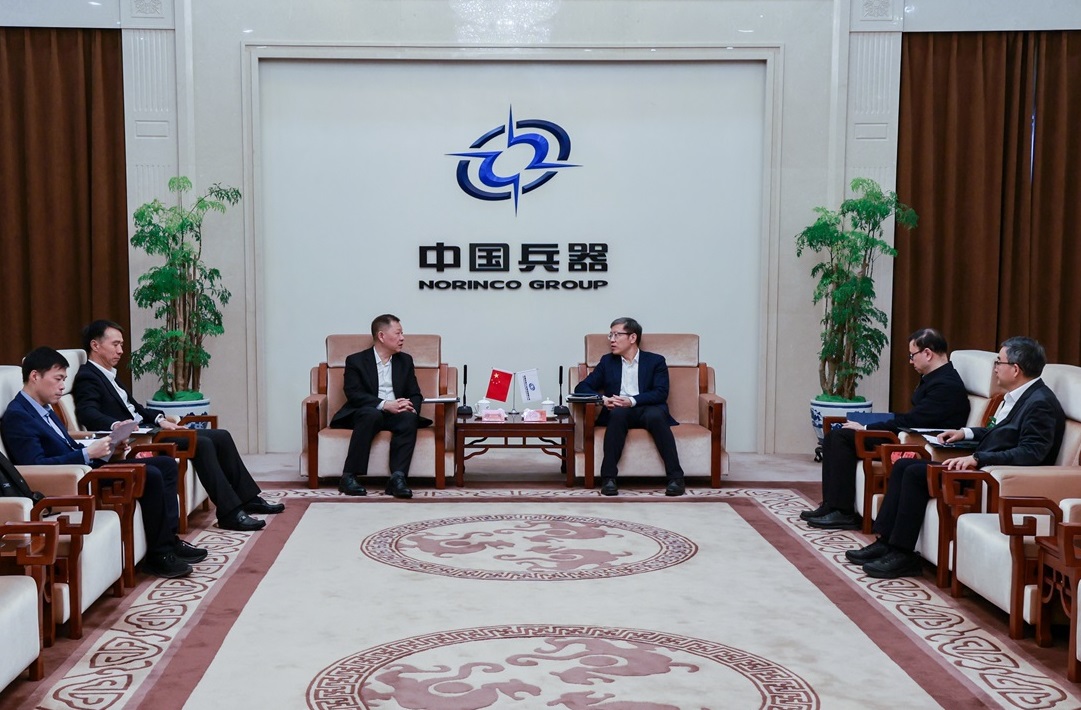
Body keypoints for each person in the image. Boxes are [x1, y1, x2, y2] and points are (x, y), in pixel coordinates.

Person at [847, 336, 1066, 579]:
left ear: (1015, 369)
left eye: (999, 362)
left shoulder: (1041, 404)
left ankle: (902, 553)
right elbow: (1000, 433)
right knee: (903, 466)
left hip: (992, 479)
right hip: (983, 467)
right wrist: (965, 432)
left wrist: (978, 459)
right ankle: (886, 542)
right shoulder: (1019, 396)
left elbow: (1031, 453)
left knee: (915, 473)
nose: (994, 368)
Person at [1, 347, 206, 579]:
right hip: (73, 479)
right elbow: (35, 465)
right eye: (58, 379)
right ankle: (159, 556)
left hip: (85, 468)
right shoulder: (18, 416)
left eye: (64, 380)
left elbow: (68, 444)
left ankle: (169, 541)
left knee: (165, 465)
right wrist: (87, 454)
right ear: (35, 376)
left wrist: (108, 448)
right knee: (150, 474)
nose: (62, 386)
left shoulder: (44, 409)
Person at [73, 320, 281, 533]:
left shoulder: (109, 375)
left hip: (150, 429)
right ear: (95, 345)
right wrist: (117, 425)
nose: (121, 351)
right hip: (138, 438)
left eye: (122, 345)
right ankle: (229, 514)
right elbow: (87, 412)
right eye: (115, 344)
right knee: (201, 443)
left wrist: (160, 419)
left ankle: (248, 499)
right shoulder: (88, 377)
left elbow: (135, 409)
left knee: (221, 436)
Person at [805, 328, 970, 530]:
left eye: (912, 355)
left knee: (842, 438)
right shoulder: (935, 377)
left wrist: (866, 427)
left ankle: (843, 511)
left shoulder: (946, 385)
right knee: (834, 436)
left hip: (919, 440)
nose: (910, 361)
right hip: (910, 432)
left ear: (927, 353)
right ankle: (831, 505)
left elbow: (914, 420)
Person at [573, 317, 685, 496]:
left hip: (647, 408)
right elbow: (581, 388)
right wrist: (603, 399)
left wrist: (631, 401)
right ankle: (608, 478)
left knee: (656, 416)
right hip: (619, 410)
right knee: (617, 414)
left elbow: (660, 392)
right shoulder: (607, 362)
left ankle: (676, 478)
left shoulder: (655, 361)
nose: (612, 340)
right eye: (610, 335)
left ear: (633, 337)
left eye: (617, 335)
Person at [329, 314, 431, 498]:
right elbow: (354, 394)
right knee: (371, 414)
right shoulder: (356, 361)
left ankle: (397, 479)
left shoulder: (405, 361)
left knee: (409, 418)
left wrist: (410, 407)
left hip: (397, 414)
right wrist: (384, 404)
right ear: (382, 336)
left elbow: (415, 393)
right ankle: (349, 476)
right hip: (366, 412)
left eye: (402, 333)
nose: (402, 338)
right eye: (398, 333)